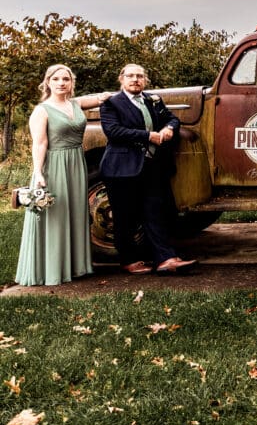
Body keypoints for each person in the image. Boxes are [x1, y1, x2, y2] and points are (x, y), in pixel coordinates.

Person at [15, 65, 111, 286]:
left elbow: (99, 98)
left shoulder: (75, 104)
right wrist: (38, 172)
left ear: (71, 82)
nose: (61, 83)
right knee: (56, 216)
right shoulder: (42, 110)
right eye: (56, 79)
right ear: (48, 82)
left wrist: (118, 93)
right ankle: (51, 270)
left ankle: (76, 266)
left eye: (65, 79)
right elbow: (39, 144)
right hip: (54, 165)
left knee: (75, 213)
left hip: (76, 163)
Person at [100, 64, 196, 275]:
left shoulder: (153, 100)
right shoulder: (112, 104)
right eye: (131, 76)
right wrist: (148, 136)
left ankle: (166, 259)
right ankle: (128, 260)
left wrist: (169, 128)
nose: (135, 80)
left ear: (145, 80)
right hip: (121, 168)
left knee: (155, 212)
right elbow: (113, 131)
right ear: (121, 79)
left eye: (140, 76)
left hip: (152, 166)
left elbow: (172, 118)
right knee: (124, 216)